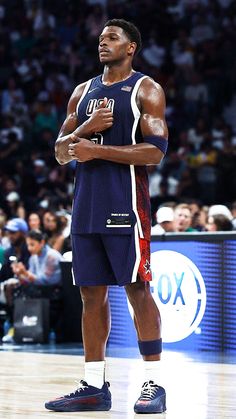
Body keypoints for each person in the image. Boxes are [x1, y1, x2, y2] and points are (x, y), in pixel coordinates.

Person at [45, 19, 168, 414]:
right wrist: (86, 128)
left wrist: (98, 150)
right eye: (100, 39)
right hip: (85, 205)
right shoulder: (82, 93)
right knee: (90, 294)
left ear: (131, 47)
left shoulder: (145, 89)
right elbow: (61, 153)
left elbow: (154, 152)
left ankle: (154, 383)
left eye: (112, 38)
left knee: (136, 290)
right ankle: (94, 386)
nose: (103, 43)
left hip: (125, 204)